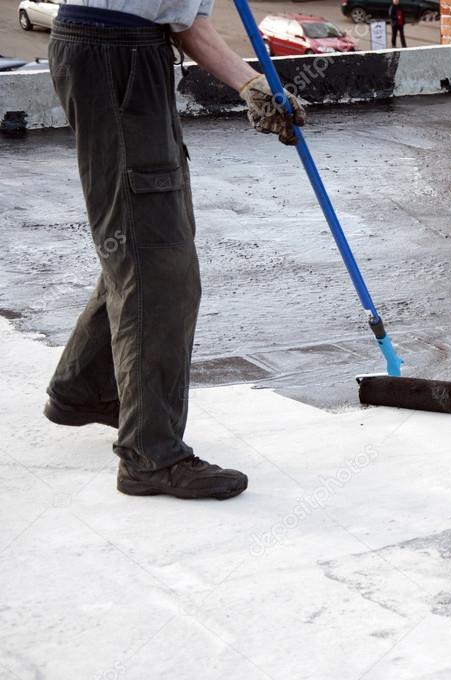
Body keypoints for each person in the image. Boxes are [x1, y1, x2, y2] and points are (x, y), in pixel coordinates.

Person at [42, 1, 305, 500]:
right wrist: (250, 83)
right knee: (158, 264)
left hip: (128, 51)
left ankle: (86, 389)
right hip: (115, 53)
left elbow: (186, 20)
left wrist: (251, 85)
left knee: (144, 240)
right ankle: (151, 456)